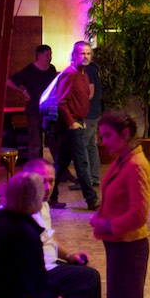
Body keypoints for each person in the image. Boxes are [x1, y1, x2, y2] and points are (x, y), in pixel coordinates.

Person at [24, 158, 112, 298]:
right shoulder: (23, 210)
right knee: (88, 278)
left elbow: (49, 240)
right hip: (38, 272)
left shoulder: (42, 205)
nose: (47, 187)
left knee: (86, 275)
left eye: (51, 181)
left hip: (49, 264)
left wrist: (70, 255)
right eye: (42, 181)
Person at [89, 111, 150, 298]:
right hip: (118, 245)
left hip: (130, 247)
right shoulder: (122, 161)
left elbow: (139, 214)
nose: (103, 142)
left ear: (125, 134)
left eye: (108, 136)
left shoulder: (136, 166)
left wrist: (108, 225)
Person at [46, 42, 99, 210]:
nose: (85, 57)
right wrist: (72, 123)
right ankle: (92, 199)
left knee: (61, 163)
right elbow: (62, 102)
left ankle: (51, 197)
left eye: (88, 54)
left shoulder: (83, 74)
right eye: (82, 54)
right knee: (81, 162)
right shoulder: (71, 74)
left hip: (77, 123)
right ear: (74, 56)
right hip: (72, 126)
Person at [6, 44, 57, 164]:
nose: (50, 58)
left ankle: (59, 167)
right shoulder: (30, 70)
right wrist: (23, 91)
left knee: (54, 140)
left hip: (48, 110)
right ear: (39, 56)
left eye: (50, 55)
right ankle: (35, 166)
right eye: (47, 55)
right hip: (34, 110)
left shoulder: (51, 69)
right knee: (35, 141)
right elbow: (9, 81)